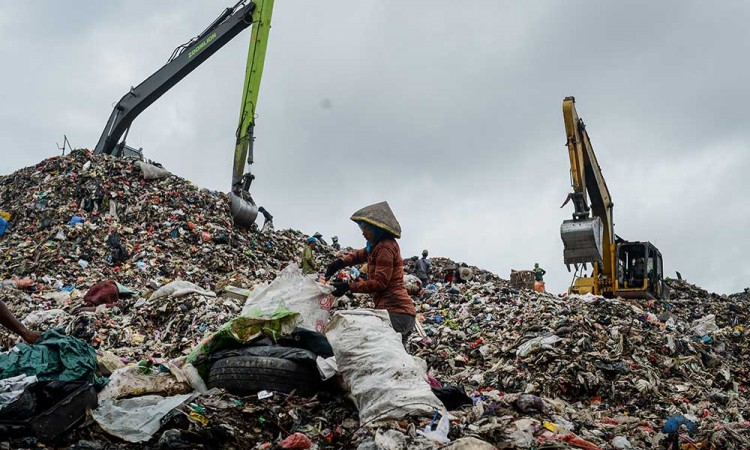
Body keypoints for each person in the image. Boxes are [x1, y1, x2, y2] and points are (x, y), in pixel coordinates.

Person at [324, 202, 416, 348]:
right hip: (396, 312)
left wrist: (349, 287)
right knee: (395, 357)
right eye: (362, 228)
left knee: (384, 352)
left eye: (366, 228)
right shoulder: (376, 247)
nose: (363, 232)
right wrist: (340, 263)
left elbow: (380, 283)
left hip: (396, 311)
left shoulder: (385, 247)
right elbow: (358, 255)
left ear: (377, 228)